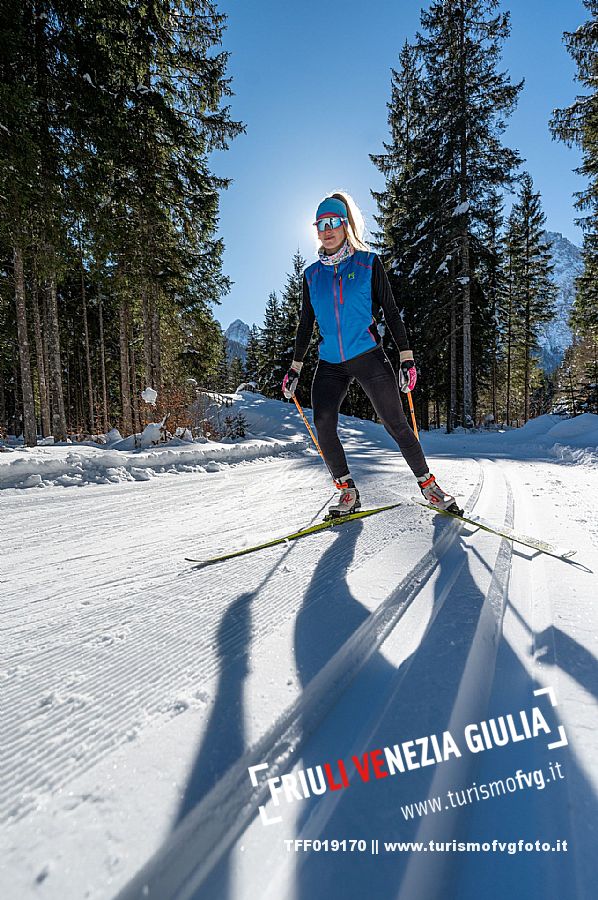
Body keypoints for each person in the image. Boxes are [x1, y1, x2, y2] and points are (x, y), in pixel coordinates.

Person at [281, 191, 461, 518]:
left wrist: (406, 357)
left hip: (368, 354)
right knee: (322, 420)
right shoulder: (311, 276)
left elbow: (391, 312)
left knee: (396, 423)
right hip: (330, 362)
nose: (327, 229)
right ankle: (347, 491)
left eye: (334, 221)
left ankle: (429, 485)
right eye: (320, 224)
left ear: (346, 224)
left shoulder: (368, 263)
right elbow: (305, 323)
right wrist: (295, 367)